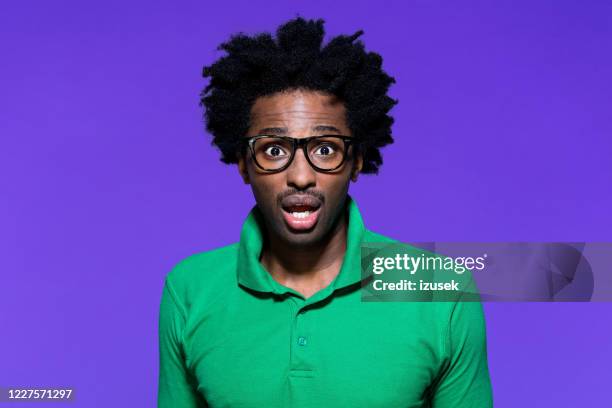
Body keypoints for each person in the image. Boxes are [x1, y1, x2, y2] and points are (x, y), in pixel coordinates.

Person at [158, 17, 492, 407]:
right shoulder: (190, 290)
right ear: (244, 164)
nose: (301, 176)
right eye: (274, 150)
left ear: (357, 161)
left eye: (325, 149)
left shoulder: (441, 292)